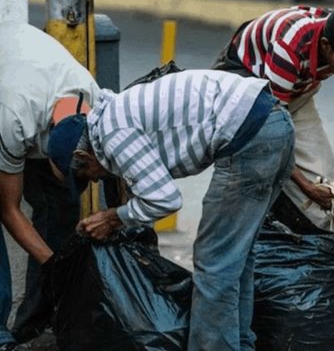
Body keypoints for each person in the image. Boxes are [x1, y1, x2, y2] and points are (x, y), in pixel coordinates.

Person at [46, 69, 295, 350]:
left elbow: (164, 199)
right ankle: (240, 344)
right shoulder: (114, 116)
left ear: (82, 155)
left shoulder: (112, 134)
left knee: (214, 262)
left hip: (251, 134)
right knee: (236, 258)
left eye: (87, 174)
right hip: (276, 122)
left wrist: (114, 217)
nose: (93, 180)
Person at [213, 4, 334, 233]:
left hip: (293, 93)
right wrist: (307, 187)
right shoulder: (290, 44)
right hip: (248, 89)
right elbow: (270, 129)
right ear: (326, 46)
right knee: (254, 182)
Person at [0, 22, 100, 349]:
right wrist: (58, 266)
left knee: (61, 206)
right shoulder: (13, 117)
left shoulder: (94, 103)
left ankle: (36, 322)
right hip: (9, 94)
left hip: (33, 85)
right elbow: (9, 210)